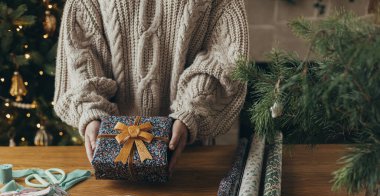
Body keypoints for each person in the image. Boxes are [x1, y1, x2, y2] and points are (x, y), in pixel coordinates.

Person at [53, 0, 248, 170]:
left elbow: (223, 55)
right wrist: (90, 111)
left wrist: (191, 111)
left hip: (186, 152)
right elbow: (81, 47)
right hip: (110, 149)